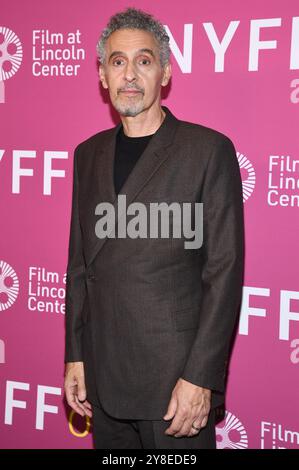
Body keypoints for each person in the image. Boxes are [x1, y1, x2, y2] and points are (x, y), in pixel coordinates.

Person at [64, 7, 245, 449]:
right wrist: (75, 356)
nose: (130, 75)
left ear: (164, 73)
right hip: (103, 383)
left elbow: (224, 272)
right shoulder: (88, 155)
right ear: (103, 76)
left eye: (144, 61)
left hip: (173, 389)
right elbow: (79, 265)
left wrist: (200, 378)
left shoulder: (207, 151)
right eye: (118, 62)